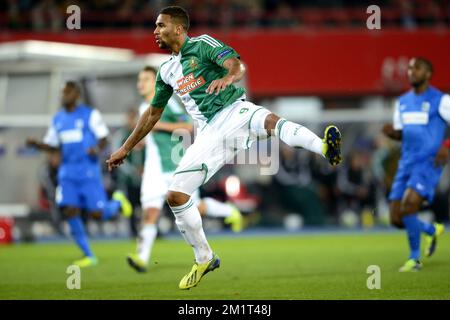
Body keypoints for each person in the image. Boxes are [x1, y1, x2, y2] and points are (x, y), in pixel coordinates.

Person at [107, 6, 341, 289]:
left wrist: (228, 77)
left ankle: (324, 147)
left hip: (234, 110)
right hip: (210, 135)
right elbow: (153, 114)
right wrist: (126, 147)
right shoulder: (167, 70)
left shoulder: (203, 44)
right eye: (155, 26)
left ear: (178, 28)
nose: (155, 31)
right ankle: (204, 257)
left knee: (270, 120)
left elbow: (236, 64)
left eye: (160, 25)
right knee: (176, 196)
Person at [126, 66, 243, 273]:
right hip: (154, 170)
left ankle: (229, 211)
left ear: (155, 82)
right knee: (149, 213)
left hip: (175, 166)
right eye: (139, 80)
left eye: (145, 79)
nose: (140, 84)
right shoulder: (145, 106)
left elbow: (187, 125)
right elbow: (152, 137)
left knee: (195, 208)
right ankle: (142, 258)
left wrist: (157, 126)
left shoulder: (168, 104)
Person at [27, 81, 133, 268]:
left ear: (76, 94)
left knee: (97, 213)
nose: (63, 95)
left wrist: (96, 149)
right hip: (67, 173)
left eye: (67, 92)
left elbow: (103, 137)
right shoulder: (58, 119)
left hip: (88, 172)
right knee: (69, 210)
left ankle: (117, 202)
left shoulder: (90, 114)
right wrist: (37, 145)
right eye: (62, 92)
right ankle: (89, 255)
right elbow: (52, 144)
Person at [382, 57, 447, 272]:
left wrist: (446, 144)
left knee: (409, 205)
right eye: (409, 68)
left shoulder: (441, 100)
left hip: (428, 161)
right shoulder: (402, 102)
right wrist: (394, 134)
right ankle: (431, 229)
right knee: (396, 218)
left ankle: (414, 259)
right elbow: (405, 134)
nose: (411, 71)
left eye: (417, 68)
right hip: (406, 161)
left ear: (428, 73)